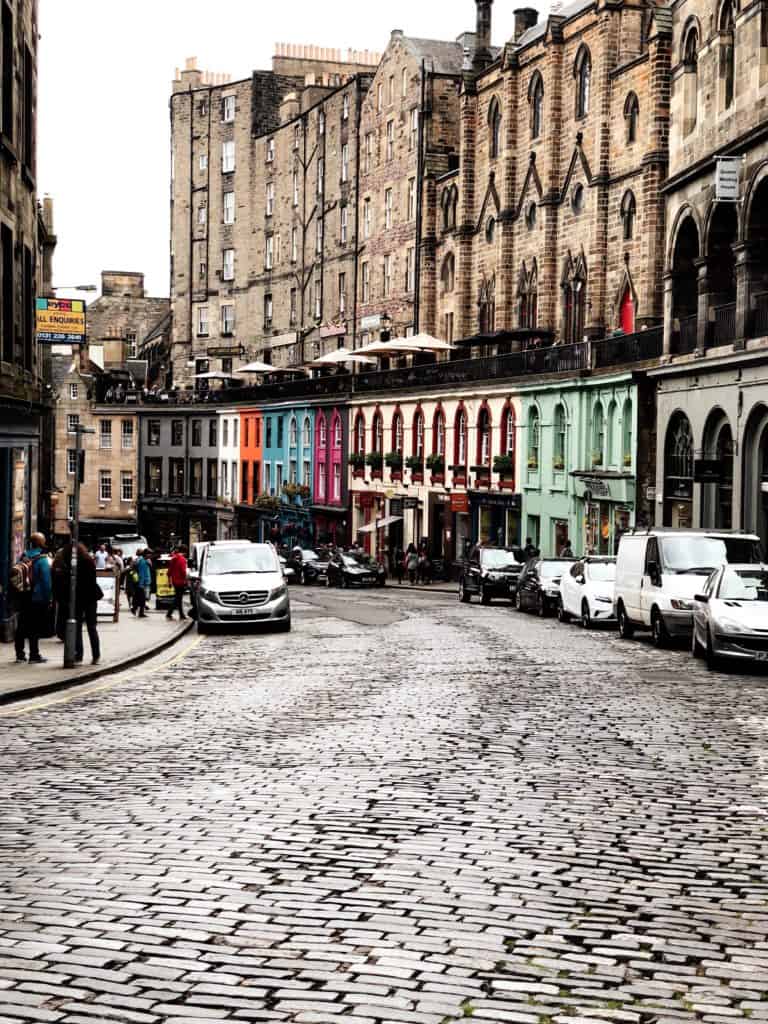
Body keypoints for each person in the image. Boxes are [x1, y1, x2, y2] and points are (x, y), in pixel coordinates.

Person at [58, 542, 102, 665]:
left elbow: (83, 581)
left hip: (83, 598)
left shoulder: (81, 563)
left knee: (85, 627)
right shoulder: (87, 561)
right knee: (90, 627)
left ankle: (82, 656)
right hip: (87, 598)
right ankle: (94, 656)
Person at [11, 533, 52, 664]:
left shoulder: (23, 556)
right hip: (37, 598)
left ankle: (19, 654)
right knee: (34, 627)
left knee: (22, 625)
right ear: (41, 543)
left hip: (23, 596)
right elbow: (46, 582)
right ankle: (34, 655)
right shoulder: (42, 559)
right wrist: (49, 599)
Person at [167, 545, 188, 621]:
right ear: (185, 552)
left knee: (178, 598)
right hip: (181, 581)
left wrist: (169, 581)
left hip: (174, 581)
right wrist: (186, 580)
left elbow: (169, 571)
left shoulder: (173, 558)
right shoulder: (182, 559)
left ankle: (181, 614)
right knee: (178, 598)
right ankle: (170, 613)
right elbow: (183, 571)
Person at [132, 549, 152, 617]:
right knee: (142, 599)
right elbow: (142, 574)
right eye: (149, 554)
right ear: (146, 554)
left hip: (142, 582)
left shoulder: (144, 561)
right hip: (142, 583)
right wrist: (141, 584)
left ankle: (135, 609)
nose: (150, 555)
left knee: (139, 597)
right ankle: (140, 612)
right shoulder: (143, 562)